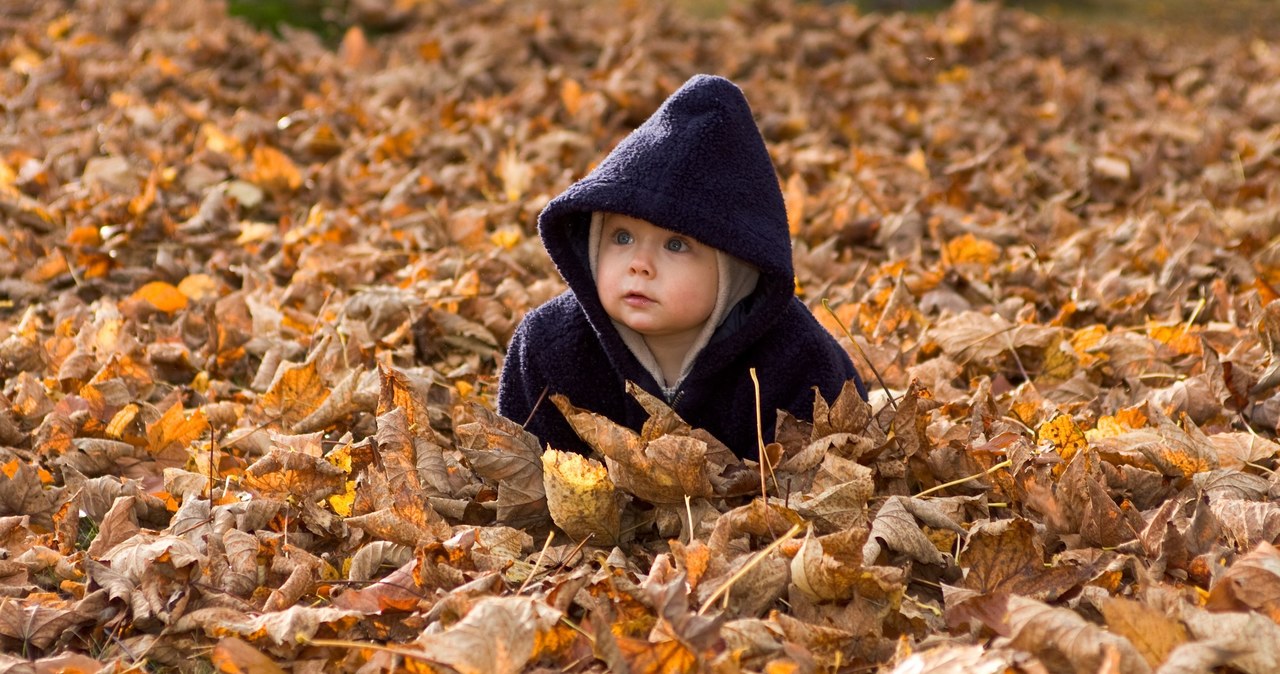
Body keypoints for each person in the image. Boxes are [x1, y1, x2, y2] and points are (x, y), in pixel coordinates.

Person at [498, 74, 867, 460]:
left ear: (736, 269)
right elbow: (520, 467)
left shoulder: (797, 360)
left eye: (676, 245)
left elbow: (837, 463)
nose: (639, 265)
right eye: (622, 237)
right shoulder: (549, 346)